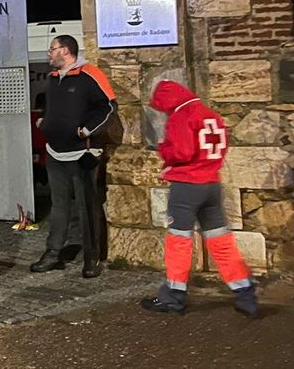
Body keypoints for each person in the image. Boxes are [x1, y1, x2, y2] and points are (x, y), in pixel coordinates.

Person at [140, 80, 258, 317]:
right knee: (221, 240)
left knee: (179, 241)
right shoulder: (210, 115)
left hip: (187, 188)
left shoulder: (182, 116)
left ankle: (173, 296)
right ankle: (245, 292)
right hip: (211, 184)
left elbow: (182, 152)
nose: (162, 110)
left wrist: (164, 149)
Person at [30, 34, 114, 278]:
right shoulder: (53, 79)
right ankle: (53, 253)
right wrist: (45, 121)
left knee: (86, 206)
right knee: (59, 206)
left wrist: (87, 130)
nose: (48, 53)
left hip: (83, 152)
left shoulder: (90, 75)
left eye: (52, 49)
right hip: (56, 151)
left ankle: (92, 257)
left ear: (65, 51)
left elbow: (108, 107)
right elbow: (54, 108)